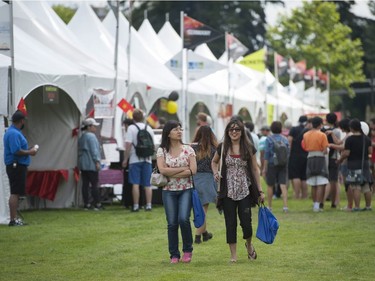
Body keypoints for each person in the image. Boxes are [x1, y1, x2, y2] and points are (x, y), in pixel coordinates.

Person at [211, 119, 264, 263]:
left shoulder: (248, 147)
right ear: (227, 132)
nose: (234, 132)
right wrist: (215, 172)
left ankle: (249, 245)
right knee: (230, 223)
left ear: (242, 132)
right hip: (227, 190)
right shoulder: (222, 147)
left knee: (246, 222)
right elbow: (214, 162)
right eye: (231, 129)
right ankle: (233, 256)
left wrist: (260, 191)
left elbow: (254, 169)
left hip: (245, 189)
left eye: (237, 129)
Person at [156, 120, 197, 264]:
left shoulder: (189, 149)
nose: (179, 131)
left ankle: (187, 250)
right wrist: (182, 169)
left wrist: (171, 172)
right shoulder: (162, 150)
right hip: (168, 190)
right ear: (168, 133)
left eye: (180, 129)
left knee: (183, 219)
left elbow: (193, 170)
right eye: (175, 129)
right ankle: (174, 254)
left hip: (186, 189)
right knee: (172, 223)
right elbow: (162, 170)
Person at [4, 110, 38, 226]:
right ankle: (13, 220)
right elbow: (16, 151)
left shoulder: (14, 132)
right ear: (21, 121)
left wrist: (29, 149)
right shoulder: (14, 133)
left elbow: (18, 148)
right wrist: (30, 152)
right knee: (15, 192)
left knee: (17, 192)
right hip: (16, 166)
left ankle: (14, 218)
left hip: (17, 165)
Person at [122, 109, 155, 212]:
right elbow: (153, 145)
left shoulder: (131, 128)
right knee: (147, 184)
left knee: (135, 183)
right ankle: (149, 205)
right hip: (147, 159)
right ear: (143, 117)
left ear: (133, 118)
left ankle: (136, 205)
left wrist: (125, 159)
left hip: (134, 159)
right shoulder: (148, 128)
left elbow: (128, 144)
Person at [337, 119, 372, 211]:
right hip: (365, 164)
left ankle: (356, 207)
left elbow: (347, 153)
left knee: (356, 186)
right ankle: (368, 206)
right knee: (366, 186)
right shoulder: (366, 139)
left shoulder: (350, 139)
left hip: (353, 164)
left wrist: (340, 160)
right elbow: (370, 152)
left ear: (351, 128)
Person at [191, 126, 218, 244]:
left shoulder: (192, 148)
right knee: (203, 210)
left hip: (194, 179)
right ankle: (197, 236)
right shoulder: (214, 149)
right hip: (207, 180)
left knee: (199, 208)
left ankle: (205, 234)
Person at [302, 116, 329, 212]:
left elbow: (304, 147)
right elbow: (325, 150)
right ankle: (318, 205)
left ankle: (315, 204)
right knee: (321, 182)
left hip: (310, 158)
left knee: (313, 183)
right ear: (320, 125)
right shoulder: (322, 135)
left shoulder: (305, 135)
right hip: (320, 158)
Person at [263, 121, 290, 212]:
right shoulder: (285, 139)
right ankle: (285, 206)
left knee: (270, 185)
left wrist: (264, 168)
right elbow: (288, 152)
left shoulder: (269, 139)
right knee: (283, 185)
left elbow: (266, 154)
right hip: (283, 164)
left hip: (271, 164)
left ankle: (270, 206)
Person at [78, 117, 103, 211]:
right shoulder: (91, 137)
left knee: (85, 184)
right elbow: (94, 151)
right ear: (89, 127)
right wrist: (97, 161)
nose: (95, 128)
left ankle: (86, 204)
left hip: (83, 163)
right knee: (94, 184)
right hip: (91, 163)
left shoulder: (82, 137)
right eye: (93, 126)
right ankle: (97, 203)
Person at [328, 118, 353, 211]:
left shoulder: (349, 136)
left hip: (346, 162)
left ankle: (350, 205)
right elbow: (338, 142)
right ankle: (350, 204)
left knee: (348, 184)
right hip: (345, 162)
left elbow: (342, 146)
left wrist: (331, 145)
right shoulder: (348, 135)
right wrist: (332, 134)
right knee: (347, 184)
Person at [321, 113, 342, 208]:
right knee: (334, 181)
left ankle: (322, 201)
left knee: (325, 180)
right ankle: (334, 202)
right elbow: (339, 143)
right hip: (334, 157)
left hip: (323, 157)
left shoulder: (322, 130)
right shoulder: (337, 131)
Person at [288, 115, 309, 199]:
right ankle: (305, 195)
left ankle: (296, 195)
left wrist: (289, 153)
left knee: (296, 176)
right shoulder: (308, 130)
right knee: (304, 177)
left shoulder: (294, 129)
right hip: (306, 155)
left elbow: (289, 141)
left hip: (295, 155)